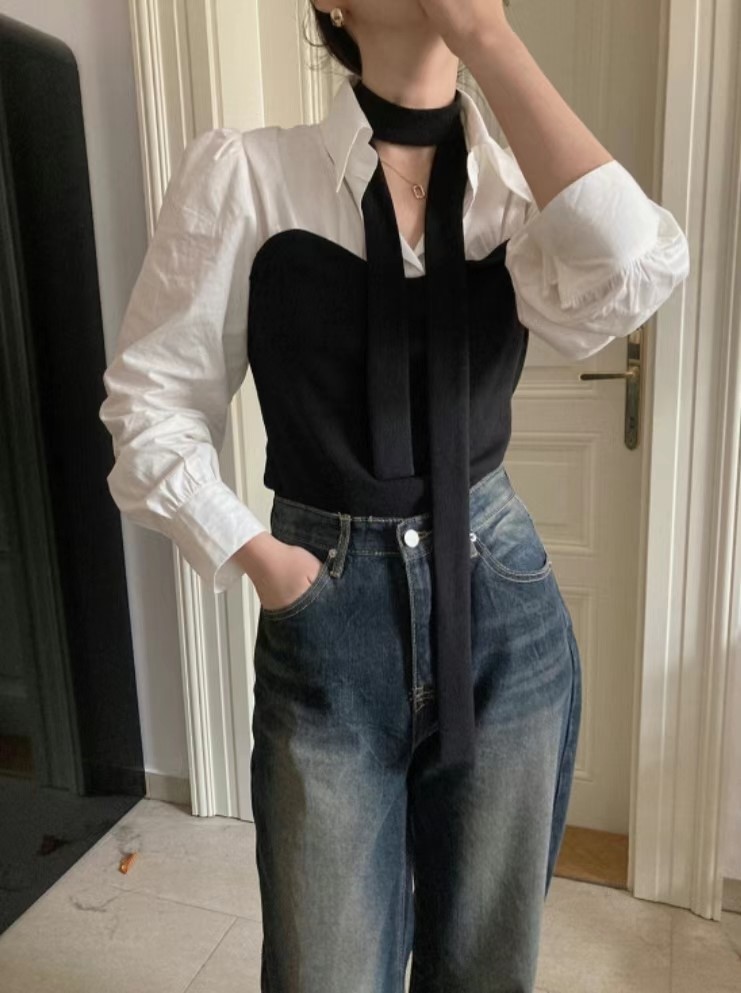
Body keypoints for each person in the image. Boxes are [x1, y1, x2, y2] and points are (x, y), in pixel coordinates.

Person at [99, 2, 690, 990]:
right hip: (324, 606)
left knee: (484, 965)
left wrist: (489, 39)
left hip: (503, 607)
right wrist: (269, 565)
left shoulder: (519, 195)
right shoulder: (246, 175)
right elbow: (150, 406)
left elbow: (639, 270)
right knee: (325, 969)